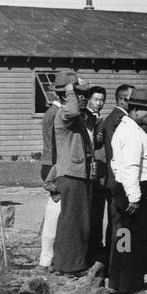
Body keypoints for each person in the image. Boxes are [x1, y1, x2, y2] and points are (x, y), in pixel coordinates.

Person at [108, 88, 147, 294]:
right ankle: (132, 286)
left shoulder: (128, 128)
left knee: (123, 237)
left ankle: (116, 281)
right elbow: (130, 167)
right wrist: (135, 197)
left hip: (123, 188)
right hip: (136, 189)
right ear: (137, 110)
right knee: (138, 239)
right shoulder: (132, 134)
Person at [51, 72, 96, 275]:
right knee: (74, 222)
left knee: (76, 221)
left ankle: (67, 264)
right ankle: (71, 266)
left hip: (78, 174)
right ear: (66, 94)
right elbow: (73, 111)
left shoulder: (75, 115)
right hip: (71, 175)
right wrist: (70, 89)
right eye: (78, 93)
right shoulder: (64, 114)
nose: (83, 97)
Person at [37, 72, 74, 266]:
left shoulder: (60, 111)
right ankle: (46, 259)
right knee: (54, 217)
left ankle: (55, 256)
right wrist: (55, 174)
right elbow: (54, 146)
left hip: (57, 164)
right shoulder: (56, 113)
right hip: (54, 166)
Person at [99, 84, 134, 271]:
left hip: (116, 179)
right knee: (123, 225)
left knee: (117, 224)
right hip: (120, 181)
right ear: (122, 100)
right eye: (132, 100)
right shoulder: (118, 120)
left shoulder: (117, 119)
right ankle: (120, 266)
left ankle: (113, 263)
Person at [84, 86, 109, 266]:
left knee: (98, 211)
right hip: (88, 170)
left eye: (101, 100)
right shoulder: (85, 118)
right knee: (91, 212)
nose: (99, 103)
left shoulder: (100, 119)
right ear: (89, 100)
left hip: (100, 170)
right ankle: (91, 248)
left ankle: (96, 246)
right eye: (96, 99)